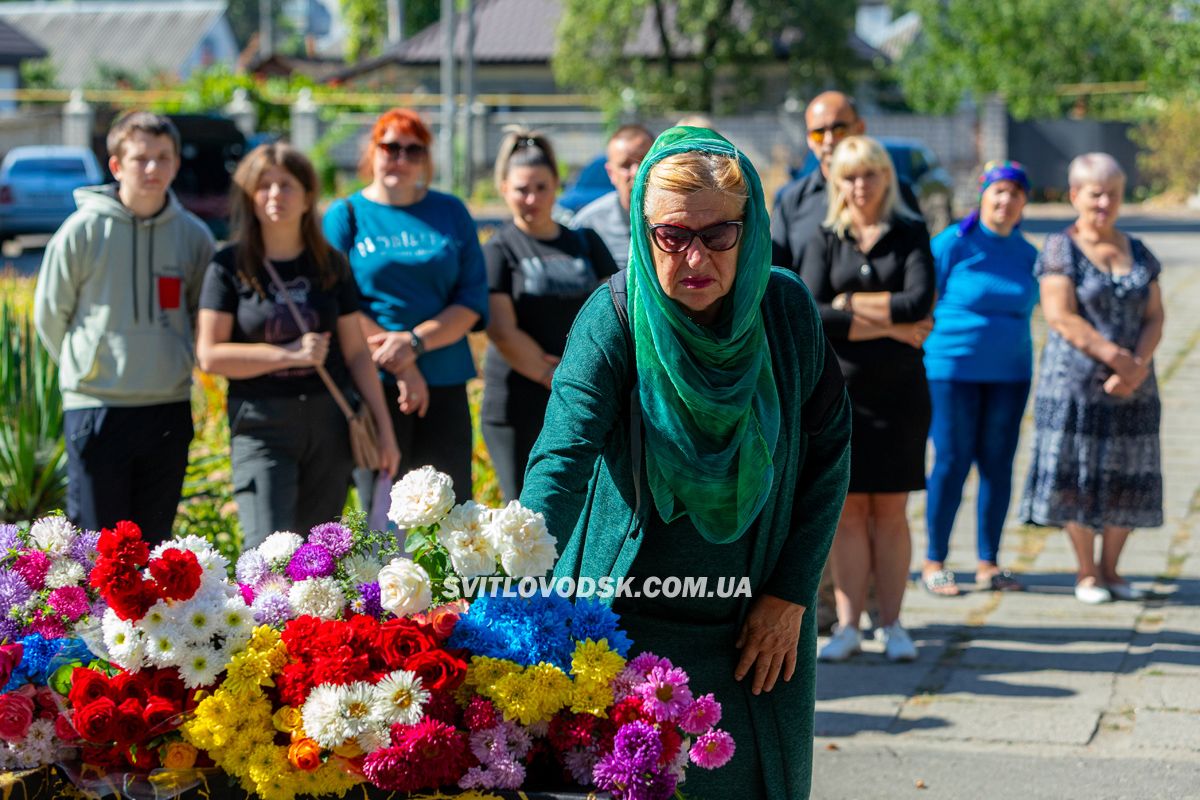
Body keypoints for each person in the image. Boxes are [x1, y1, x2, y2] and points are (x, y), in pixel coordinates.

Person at [522, 126, 852, 799]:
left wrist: (792, 592)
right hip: (623, 623)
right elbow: (561, 459)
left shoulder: (785, 312)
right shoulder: (613, 316)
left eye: (719, 235)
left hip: (756, 630)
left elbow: (830, 453)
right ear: (644, 232)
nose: (695, 256)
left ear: (749, 229)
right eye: (672, 235)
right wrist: (514, 585)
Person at [195, 143, 399, 547]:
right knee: (267, 554)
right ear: (249, 197)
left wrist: (385, 431)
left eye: (286, 185)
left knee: (319, 560)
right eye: (264, 185)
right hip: (261, 426)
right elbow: (210, 354)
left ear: (307, 196)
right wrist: (288, 354)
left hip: (330, 424)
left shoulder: (330, 264)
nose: (275, 195)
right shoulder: (228, 267)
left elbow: (357, 353)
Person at [34, 111, 215, 543]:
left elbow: (201, 316)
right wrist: (88, 366)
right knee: (99, 551)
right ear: (116, 165)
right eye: (140, 158)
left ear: (175, 163)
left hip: (167, 405)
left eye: (163, 157)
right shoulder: (81, 231)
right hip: (96, 406)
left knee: (155, 550)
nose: (152, 168)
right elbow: (49, 315)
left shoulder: (194, 237)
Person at [799, 135, 935, 663]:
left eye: (869, 175)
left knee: (892, 513)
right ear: (838, 182)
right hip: (842, 394)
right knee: (849, 513)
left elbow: (920, 302)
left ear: (885, 177)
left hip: (900, 395)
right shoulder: (825, 236)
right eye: (850, 177)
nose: (860, 186)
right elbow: (812, 310)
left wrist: (849, 304)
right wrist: (893, 325)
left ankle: (894, 624)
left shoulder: (911, 233)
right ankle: (849, 625)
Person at [1019, 153, 1164, 604]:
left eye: (1113, 194)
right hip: (1075, 385)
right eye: (1095, 193)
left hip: (1135, 385)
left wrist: (1137, 366)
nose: (1104, 202)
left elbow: (1155, 315)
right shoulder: (1060, 248)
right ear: (1074, 195)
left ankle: (1113, 569)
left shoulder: (1139, 249)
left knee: (1129, 471)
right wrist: (1117, 360)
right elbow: (1061, 316)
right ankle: (1085, 572)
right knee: (1076, 472)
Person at [324, 109, 489, 505]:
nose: (400, 158)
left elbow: (470, 301)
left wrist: (413, 345)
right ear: (373, 151)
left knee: (450, 511)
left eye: (413, 151)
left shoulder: (450, 212)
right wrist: (402, 362)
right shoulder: (345, 215)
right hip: (373, 386)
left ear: (427, 160)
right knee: (384, 516)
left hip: (445, 381)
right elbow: (334, 301)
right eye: (391, 147)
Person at [921, 162, 1039, 597]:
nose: (1006, 201)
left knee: (998, 464)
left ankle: (989, 562)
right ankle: (935, 560)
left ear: (1024, 202)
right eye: (999, 192)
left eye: (1015, 194)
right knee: (952, 461)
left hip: (1011, 374)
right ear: (983, 195)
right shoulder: (952, 243)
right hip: (952, 371)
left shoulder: (1028, 254)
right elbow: (922, 300)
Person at [482, 130, 617, 501]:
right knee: (526, 511)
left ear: (557, 185)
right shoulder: (498, 249)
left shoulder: (585, 240)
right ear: (504, 188)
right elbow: (501, 330)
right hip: (519, 402)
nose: (532, 199)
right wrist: (552, 375)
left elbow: (611, 309)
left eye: (541, 188)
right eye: (522, 189)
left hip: (581, 396)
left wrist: (585, 376)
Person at [771, 90, 924, 272]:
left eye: (839, 129)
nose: (829, 140)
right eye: (819, 133)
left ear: (860, 128)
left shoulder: (895, 192)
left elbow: (920, 282)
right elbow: (776, 273)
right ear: (809, 140)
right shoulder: (792, 200)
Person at [569, 124, 654, 267]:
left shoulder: (680, 216)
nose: (636, 172)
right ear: (610, 173)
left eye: (643, 161)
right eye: (625, 165)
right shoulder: (589, 224)